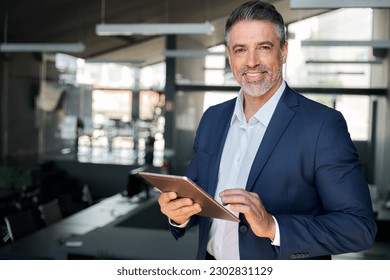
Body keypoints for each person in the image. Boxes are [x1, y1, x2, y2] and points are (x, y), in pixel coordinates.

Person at [157, 0, 377, 260]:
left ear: (283, 52)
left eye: (263, 47)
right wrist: (178, 214)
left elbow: (358, 228)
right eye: (240, 50)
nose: (251, 62)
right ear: (230, 56)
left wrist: (273, 226)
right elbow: (197, 199)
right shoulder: (212, 119)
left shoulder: (322, 125)